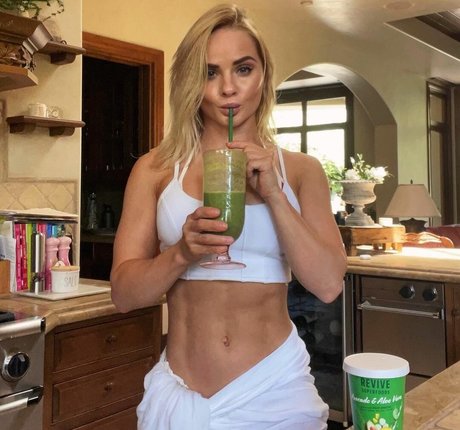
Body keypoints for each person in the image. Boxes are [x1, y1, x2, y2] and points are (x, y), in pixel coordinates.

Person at [110, 3, 347, 429]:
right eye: (209, 72)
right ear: (191, 82)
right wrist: (181, 254)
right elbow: (124, 294)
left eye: (243, 69)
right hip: (181, 396)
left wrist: (274, 194)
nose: (228, 88)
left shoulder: (301, 171)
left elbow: (329, 284)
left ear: (264, 76)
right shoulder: (155, 170)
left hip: (276, 394)